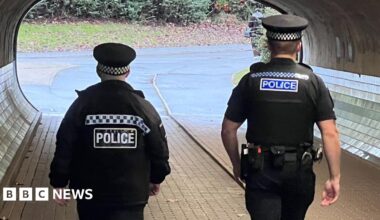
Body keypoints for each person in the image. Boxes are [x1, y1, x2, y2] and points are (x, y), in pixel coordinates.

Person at [221, 15, 341, 220]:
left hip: (260, 171)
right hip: (299, 172)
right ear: (299, 46)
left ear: (268, 44)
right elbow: (330, 132)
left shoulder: (250, 81)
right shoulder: (313, 82)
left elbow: (228, 129)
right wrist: (334, 177)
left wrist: (237, 164)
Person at [49, 43, 171, 220]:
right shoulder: (143, 108)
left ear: (98, 71)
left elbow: (64, 146)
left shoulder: (81, 106)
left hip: (90, 196)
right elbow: (159, 150)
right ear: (127, 72)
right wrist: (156, 178)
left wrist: (59, 182)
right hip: (132, 195)